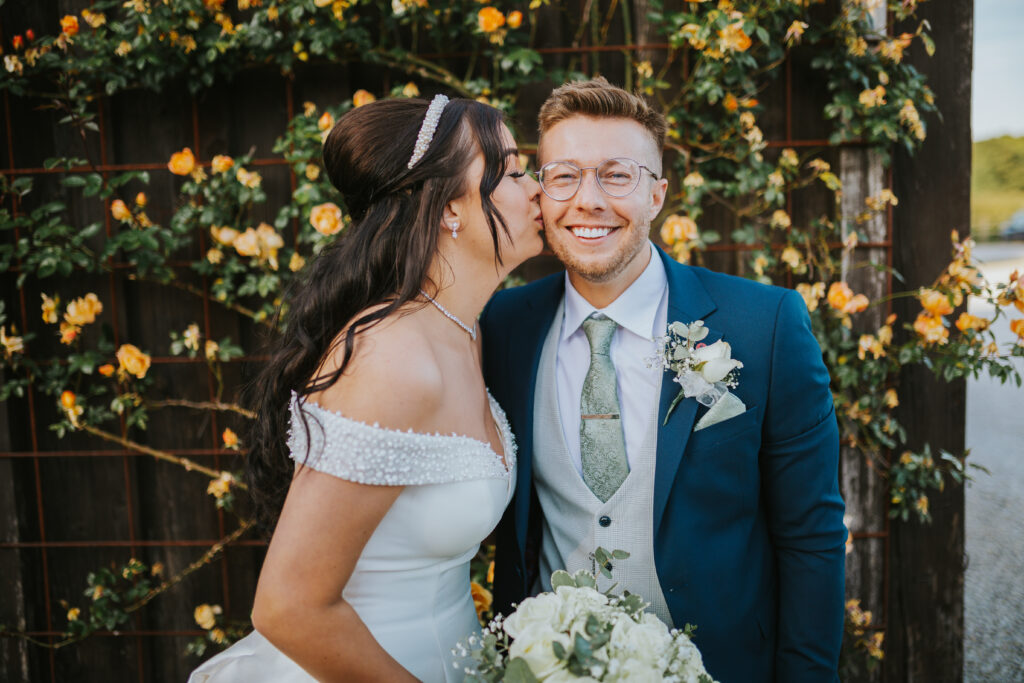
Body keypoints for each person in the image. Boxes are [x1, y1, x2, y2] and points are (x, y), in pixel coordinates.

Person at [480, 78, 847, 682]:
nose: (588, 200)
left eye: (617, 175)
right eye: (564, 175)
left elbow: (811, 533)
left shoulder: (766, 326)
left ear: (657, 195)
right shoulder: (502, 327)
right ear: (540, 195)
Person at [189, 94, 543, 682]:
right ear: (447, 205)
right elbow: (289, 607)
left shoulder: (465, 330)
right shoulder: (391, 357)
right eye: (509, 170)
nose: (535, 188)